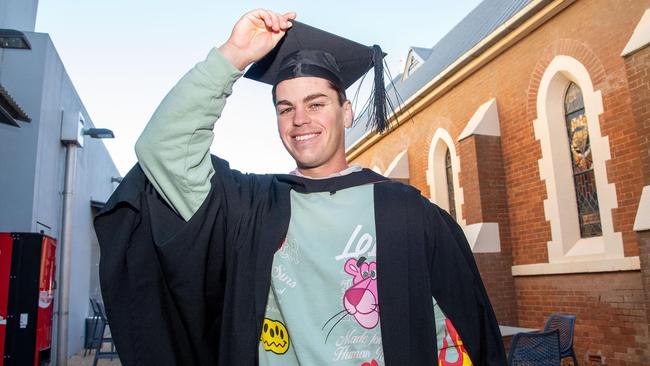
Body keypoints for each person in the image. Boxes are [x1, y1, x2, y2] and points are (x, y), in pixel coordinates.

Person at [94, 9, 506, 366]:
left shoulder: (409, 214)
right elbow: (162, 149)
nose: (299, 120)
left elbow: (457, 337)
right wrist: (232, 56)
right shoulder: (253, 207)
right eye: (285, 108)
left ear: (346, 113)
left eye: (316, 104)